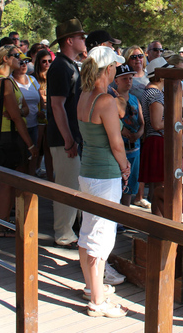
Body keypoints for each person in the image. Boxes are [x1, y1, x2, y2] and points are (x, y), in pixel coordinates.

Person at [76, 46, 130, 318]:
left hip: (87, 172)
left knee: (88, 232)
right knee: (102, 236)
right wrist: (125, 166)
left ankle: (91, 288)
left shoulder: (85, 96)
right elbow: (116, 143)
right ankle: (97, 301)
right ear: (108, 69)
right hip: (105, 174)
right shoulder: (105, 101)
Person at [0, 46, 38, 235]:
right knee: (8, 182)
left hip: (7, 134)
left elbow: (24, 109)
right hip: (8, 136)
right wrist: (31, 145)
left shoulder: (8, 81)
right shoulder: (3, 82)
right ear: (6, 59)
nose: (21, 59)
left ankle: (5, 222)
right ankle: (2, 225)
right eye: (16, 56)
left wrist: (19, 111)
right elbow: (18, 116)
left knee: (9, 181)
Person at [47, 19, 87, 250]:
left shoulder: (69, 65)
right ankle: (63, 234)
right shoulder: (61, 67)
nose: (84, 40)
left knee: (75, 185)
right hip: (65, 139)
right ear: (69, 40)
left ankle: (71, 230)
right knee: (67, 186)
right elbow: (57, 106)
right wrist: (68, 139)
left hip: (71, 137)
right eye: (81, 37)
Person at [139, 57, 171, 207]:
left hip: (154, 140)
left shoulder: (151, 91)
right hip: (157, 140)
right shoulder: (155, 94)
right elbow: (157, 124)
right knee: (160, 187)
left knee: (156, 188)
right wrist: (175, 119)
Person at [113, 64, 144, 207]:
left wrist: (138, 134)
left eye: (130, 78)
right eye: (124, 79)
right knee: (119, 182)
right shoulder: (112, 100)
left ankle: (125, 212)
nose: (128, 81)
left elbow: (142, 122)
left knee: (131, 184)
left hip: (134, 148)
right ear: (116, 81)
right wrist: (121, 130)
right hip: (120, 148)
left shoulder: (134, 100)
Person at [12, 51, 44, 175]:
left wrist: (41, 111)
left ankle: (31, 182)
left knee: (33, 155)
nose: (24, 65)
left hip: (34, 125)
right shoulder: (10, 81)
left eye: (26, 62)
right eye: (21, 62)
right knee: (21, 159)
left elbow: (40, 99)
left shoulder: (32, 79)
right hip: (18, 127)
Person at [33, 49, 53, 181]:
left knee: (48, 147)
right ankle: (32, 172)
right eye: (44, 61)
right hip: (38, 115)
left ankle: (51, 177)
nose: (47, 64)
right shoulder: (33, 77)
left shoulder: (53, 76)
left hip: (50, 114)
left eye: (49, 61)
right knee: (37, 145)